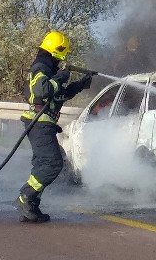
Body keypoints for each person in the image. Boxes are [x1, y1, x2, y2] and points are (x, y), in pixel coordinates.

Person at [17, 31, 93, 223]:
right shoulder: (41, 67)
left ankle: (31, 204)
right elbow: (43, 90)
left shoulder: (47, 68)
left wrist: (80, 85)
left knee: (43, 164)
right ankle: (25, 197)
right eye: (62, 53)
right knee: (53, 164)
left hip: (43, 123)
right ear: (56, 50)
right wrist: (61, 76)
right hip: (39, 122)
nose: (63, 58)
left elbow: (58, 95)